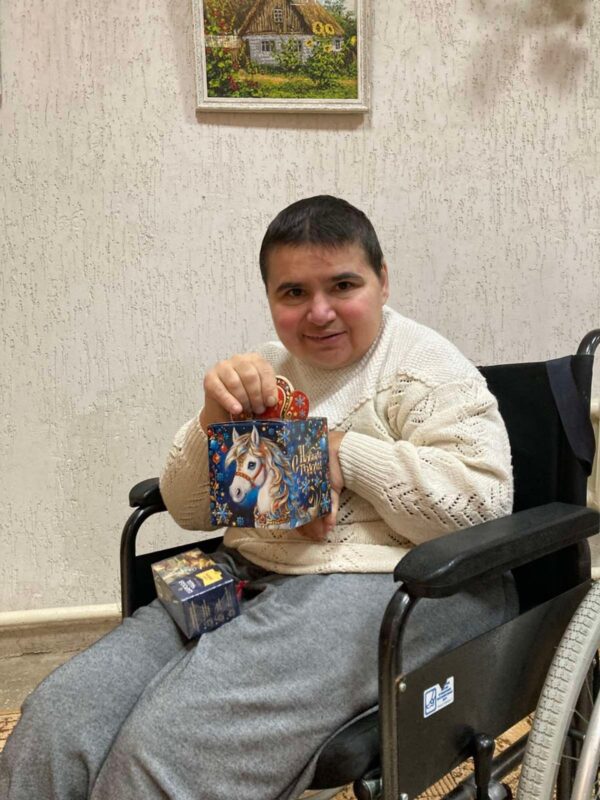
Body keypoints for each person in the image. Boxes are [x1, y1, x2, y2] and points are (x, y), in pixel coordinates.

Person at [0, 196, 515, 800]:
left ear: (382, 280)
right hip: (248, 573)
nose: (319, 312)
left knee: (170, 746)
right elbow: (188, 508)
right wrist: (211, 423)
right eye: (293, 292)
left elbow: (483, 504)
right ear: (270, 297)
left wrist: (344, 452)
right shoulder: (267, 371)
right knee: (60, 718)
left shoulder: (423, 367)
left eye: (342, 285)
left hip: (390, 584)